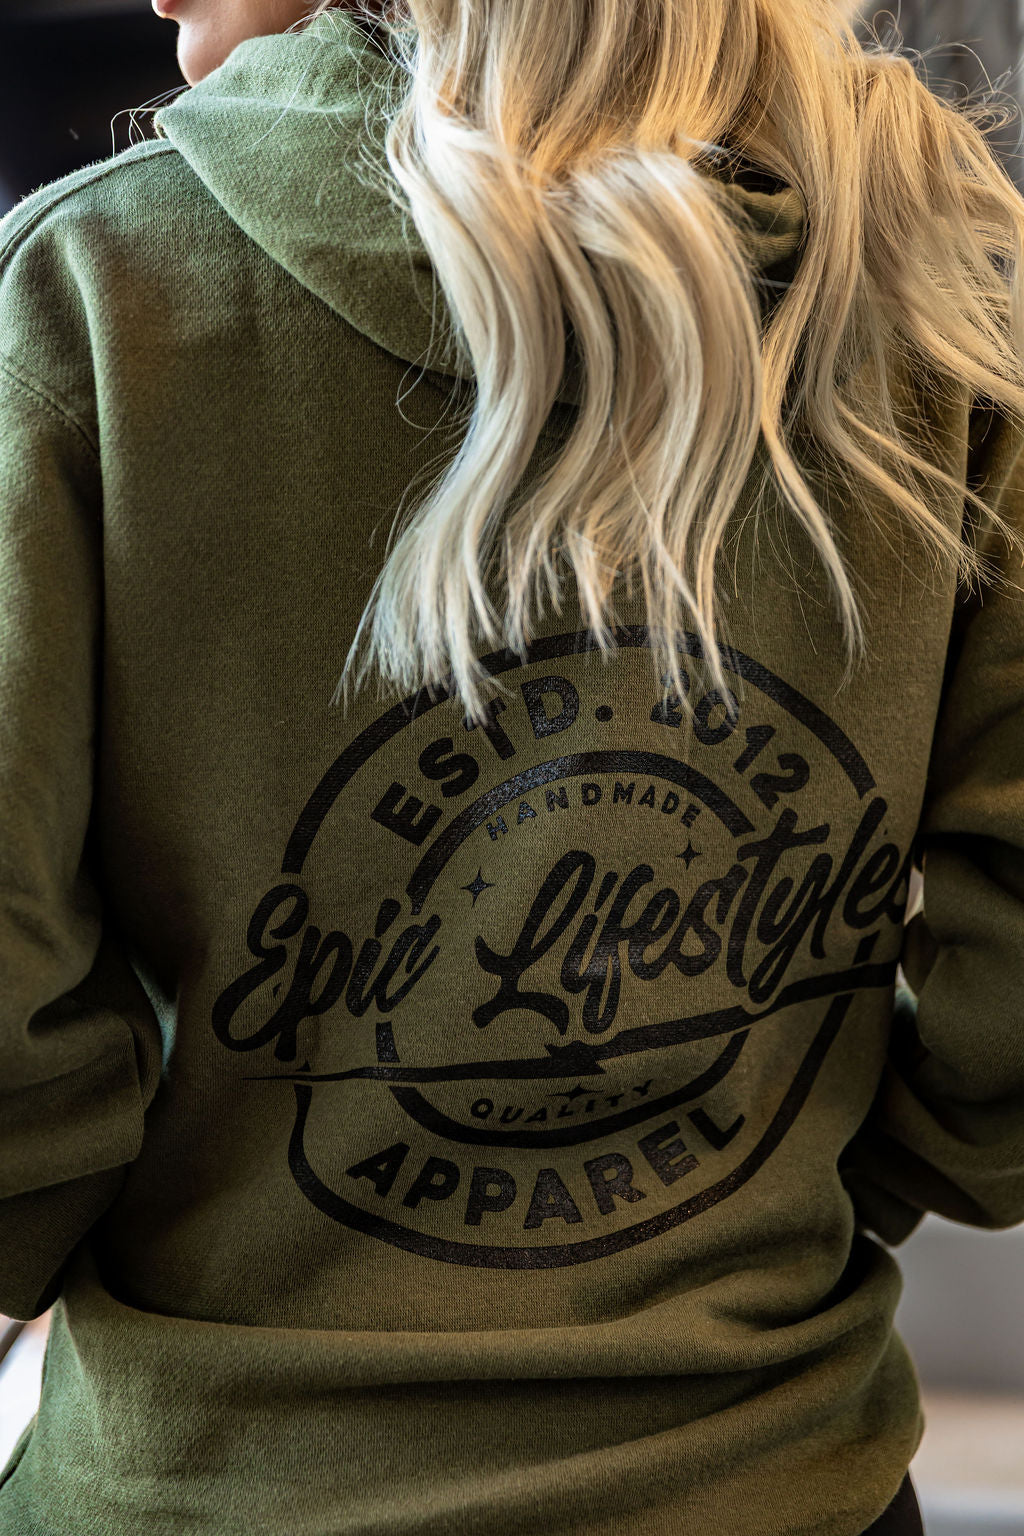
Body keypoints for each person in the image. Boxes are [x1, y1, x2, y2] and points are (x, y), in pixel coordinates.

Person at [0, 0, 1022, 1530]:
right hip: (775, 1478)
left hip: (215, 1486)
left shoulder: (91, 294)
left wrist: (100, 1221)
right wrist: (789, 1174)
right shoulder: (942, 288)